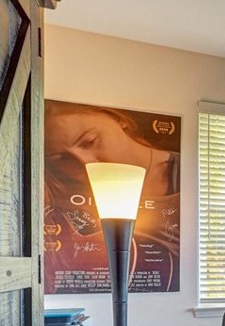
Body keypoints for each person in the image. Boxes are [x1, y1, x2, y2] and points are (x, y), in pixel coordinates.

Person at [43, 101, 181, 294]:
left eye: (89, 141)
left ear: (118, 119)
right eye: (61, 159)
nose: (85, 162)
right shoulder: (58, 199)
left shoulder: (188, 176)